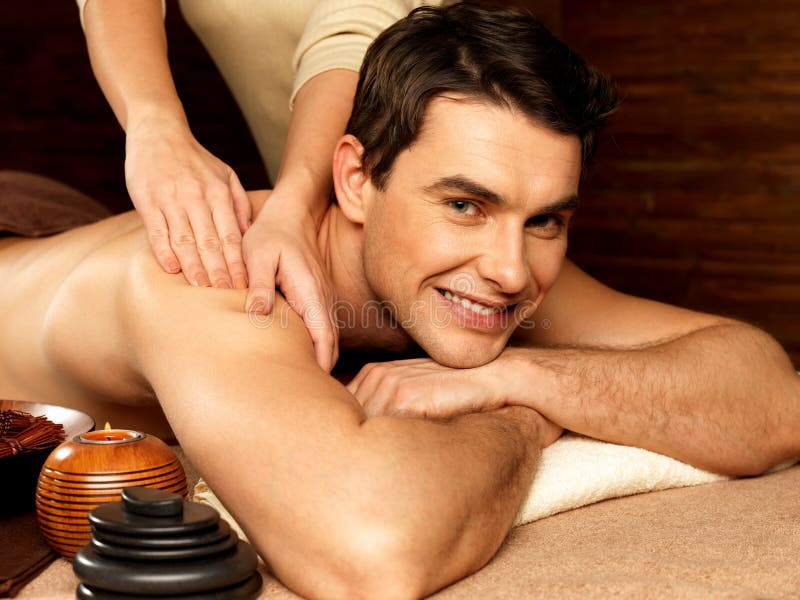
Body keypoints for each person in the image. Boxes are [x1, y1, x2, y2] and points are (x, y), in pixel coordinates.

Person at [3, 4, 798, 598]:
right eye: (464, 205)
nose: (512, 271)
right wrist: (532, 417)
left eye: (547, 218)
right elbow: (369, 549)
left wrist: (521, 378)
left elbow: (770, 395)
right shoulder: (217, 283)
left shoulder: (493, 266)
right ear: (355, 179)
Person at [78, 0, 443, 372]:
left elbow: (354, 30)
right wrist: (155, 126)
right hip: (296, 224)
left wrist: (295, 207)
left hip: (415, 230)